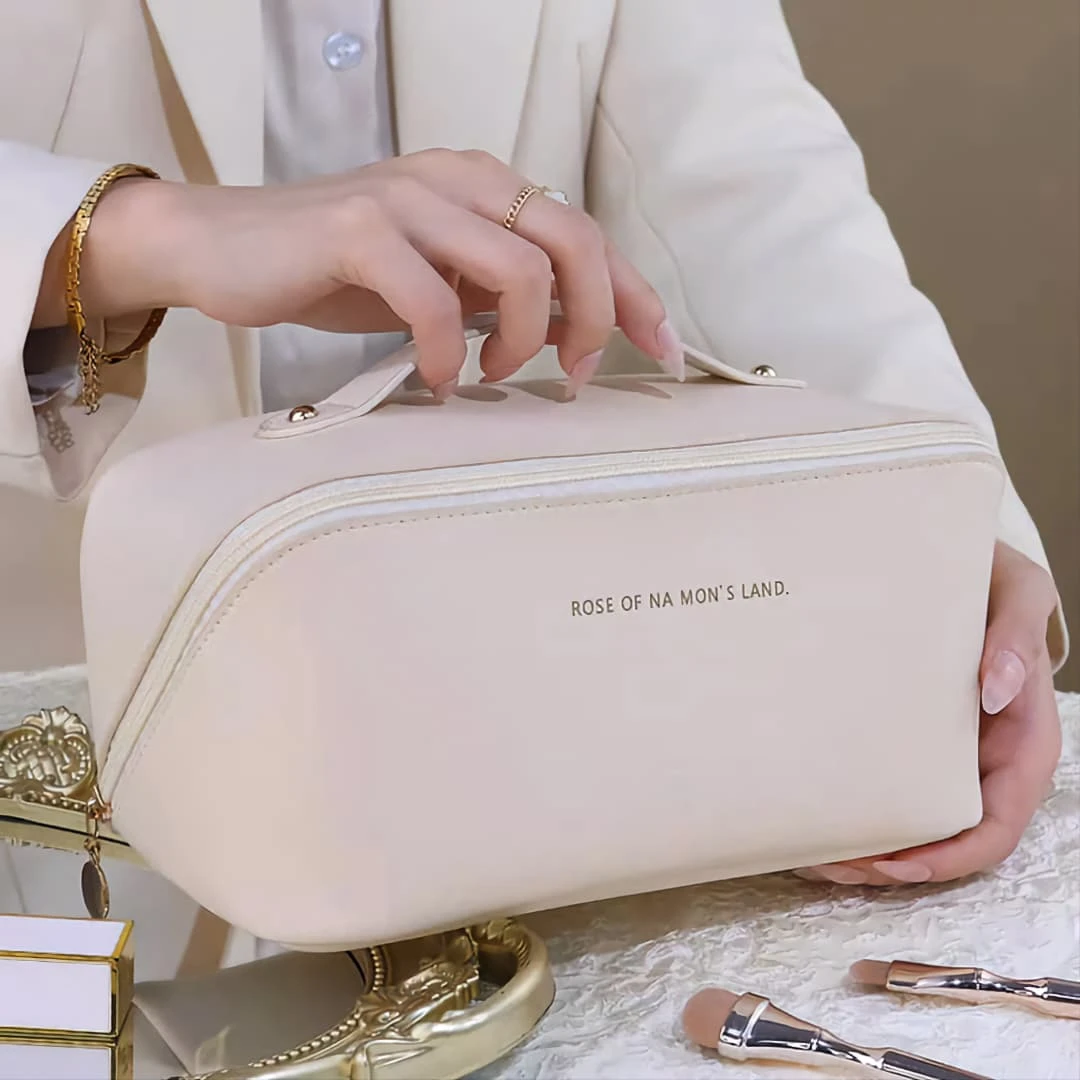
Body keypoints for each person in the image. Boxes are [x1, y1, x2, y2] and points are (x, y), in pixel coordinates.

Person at [0, 1, 1067, 972]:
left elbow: (761, 203)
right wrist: (126, 236)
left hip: (548, 802)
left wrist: (957, 550)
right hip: (70, 784)